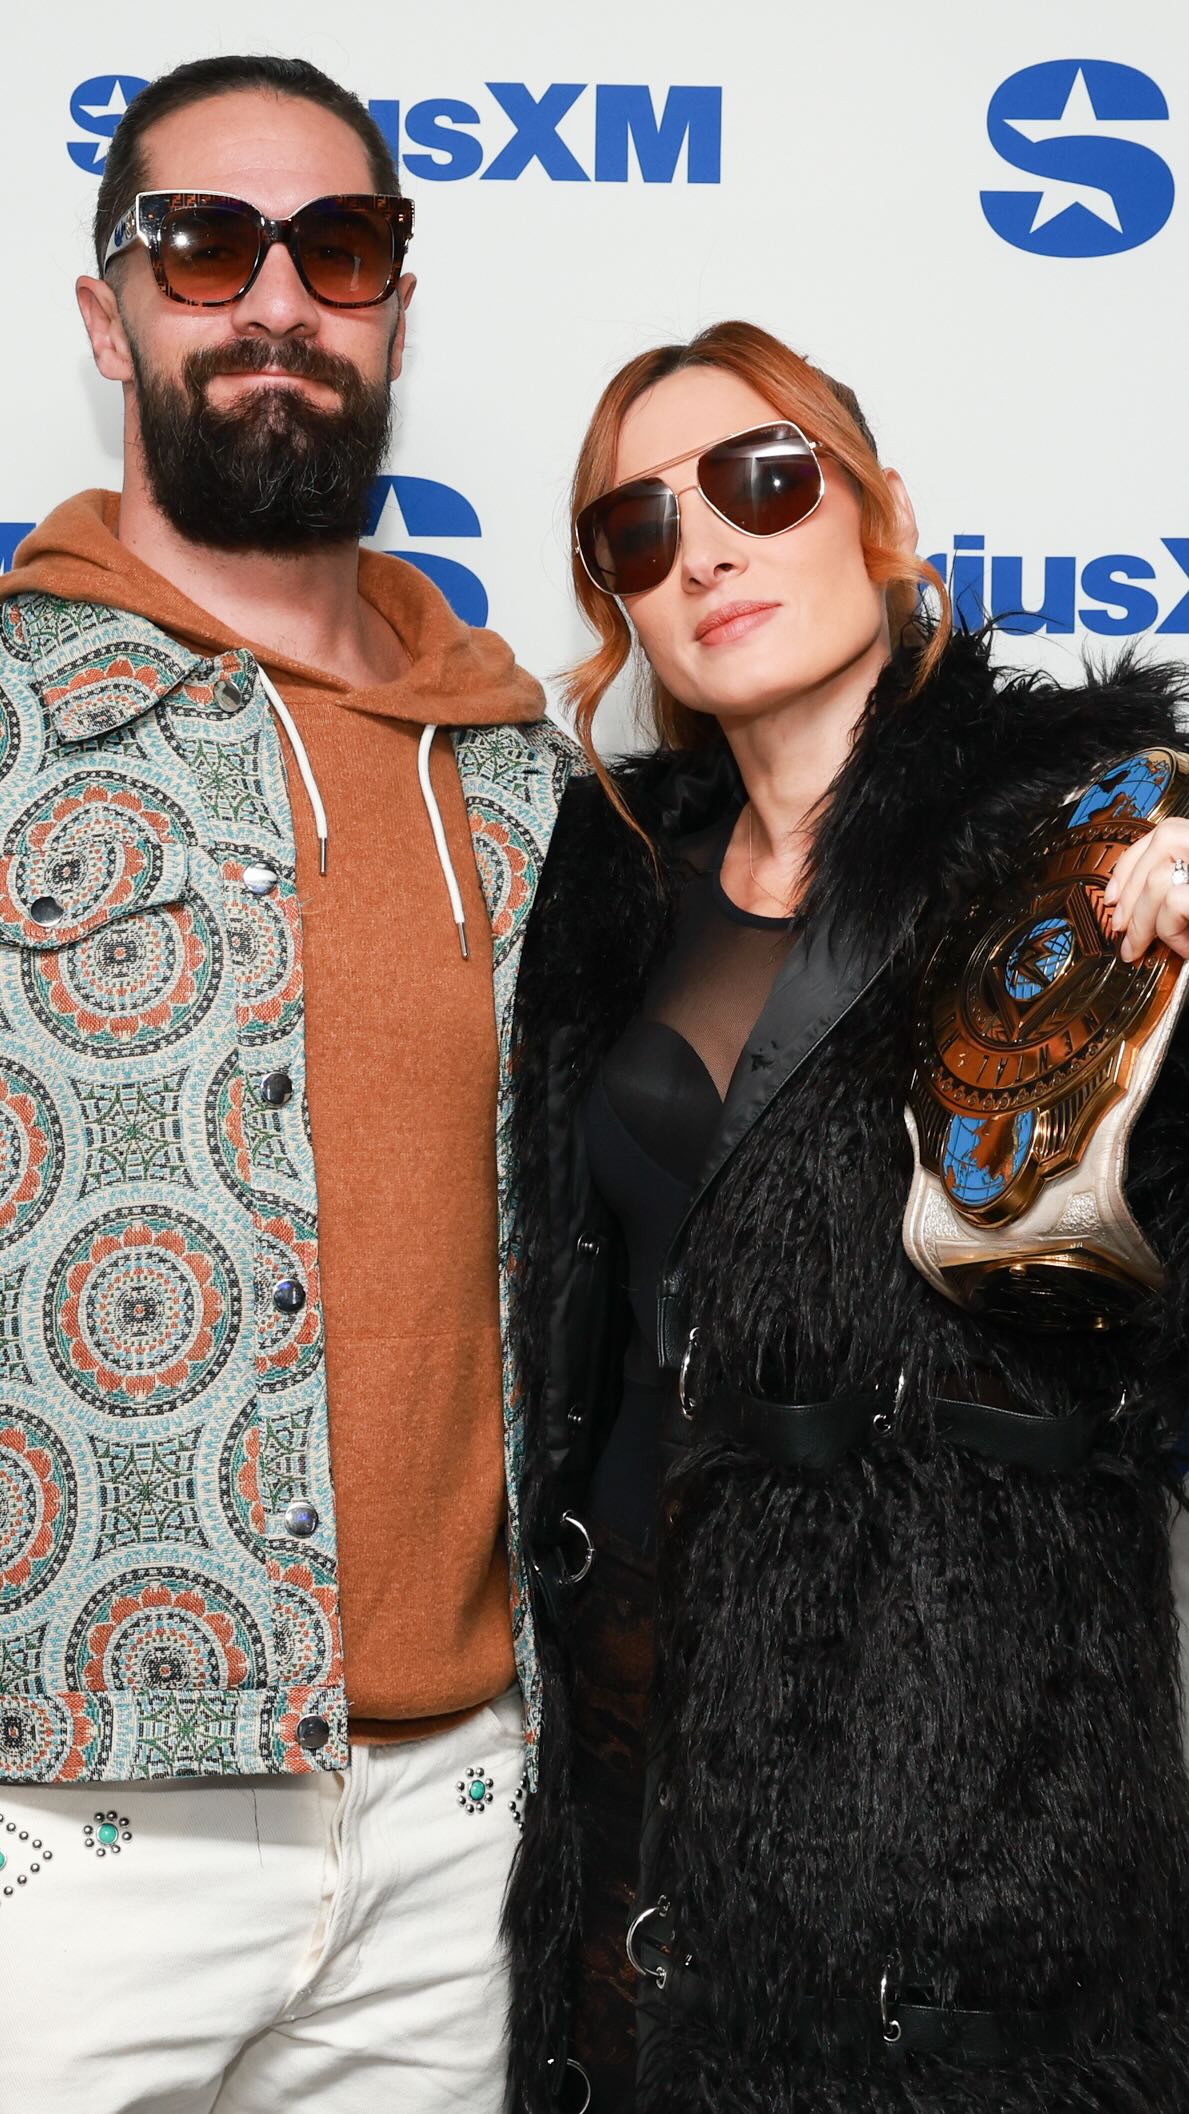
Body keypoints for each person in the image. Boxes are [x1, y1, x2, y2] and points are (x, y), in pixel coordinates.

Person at [505, 319, 1189, 2113]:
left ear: (877, 508)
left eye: (759, 480)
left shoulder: (1081, 850)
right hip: (626, 1742)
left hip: (957, 1788)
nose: (703, 551)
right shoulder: (602, 880)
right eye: (637, 528)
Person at [0, 53, 576, 2114]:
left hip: (455, 1827)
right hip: (68, 1817)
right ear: (107, 317)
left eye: (336, 249)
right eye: (200, 247)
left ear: (394, 309)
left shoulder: (528, 779)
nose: (272, 301)